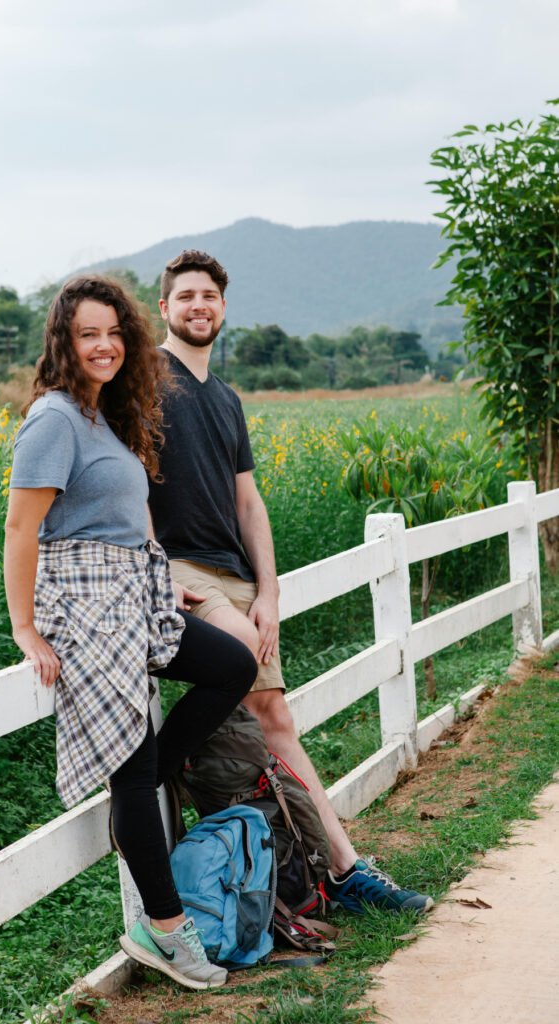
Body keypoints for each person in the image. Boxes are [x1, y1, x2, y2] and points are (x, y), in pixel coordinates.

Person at [148, 250, 433, 915]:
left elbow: (249, 504)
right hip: (184, 570)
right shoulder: (144, 382)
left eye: (209, 297)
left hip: (238, 574)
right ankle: (159, 771)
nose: (198, 306)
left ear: (223, 308)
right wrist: (153, 566)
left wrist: (269, 592)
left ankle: (336, 869)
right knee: (252, 695)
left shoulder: (225, 397)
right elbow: (123, 482)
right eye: (185, 296)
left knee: (275, 719)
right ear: (163, 308)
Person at [4, 274, 258, 990]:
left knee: (228, 665)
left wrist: (153, 576)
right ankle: (166, 931)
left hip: (133, 593)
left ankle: (161, 768)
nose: (105, 345)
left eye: (114, 332)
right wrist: (25, 625)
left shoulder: (102, 415)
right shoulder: (53, 418)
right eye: (89, 333)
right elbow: (22, 528)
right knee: (130, 772)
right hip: (85, 606)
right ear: (63, 339)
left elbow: (119, 513)